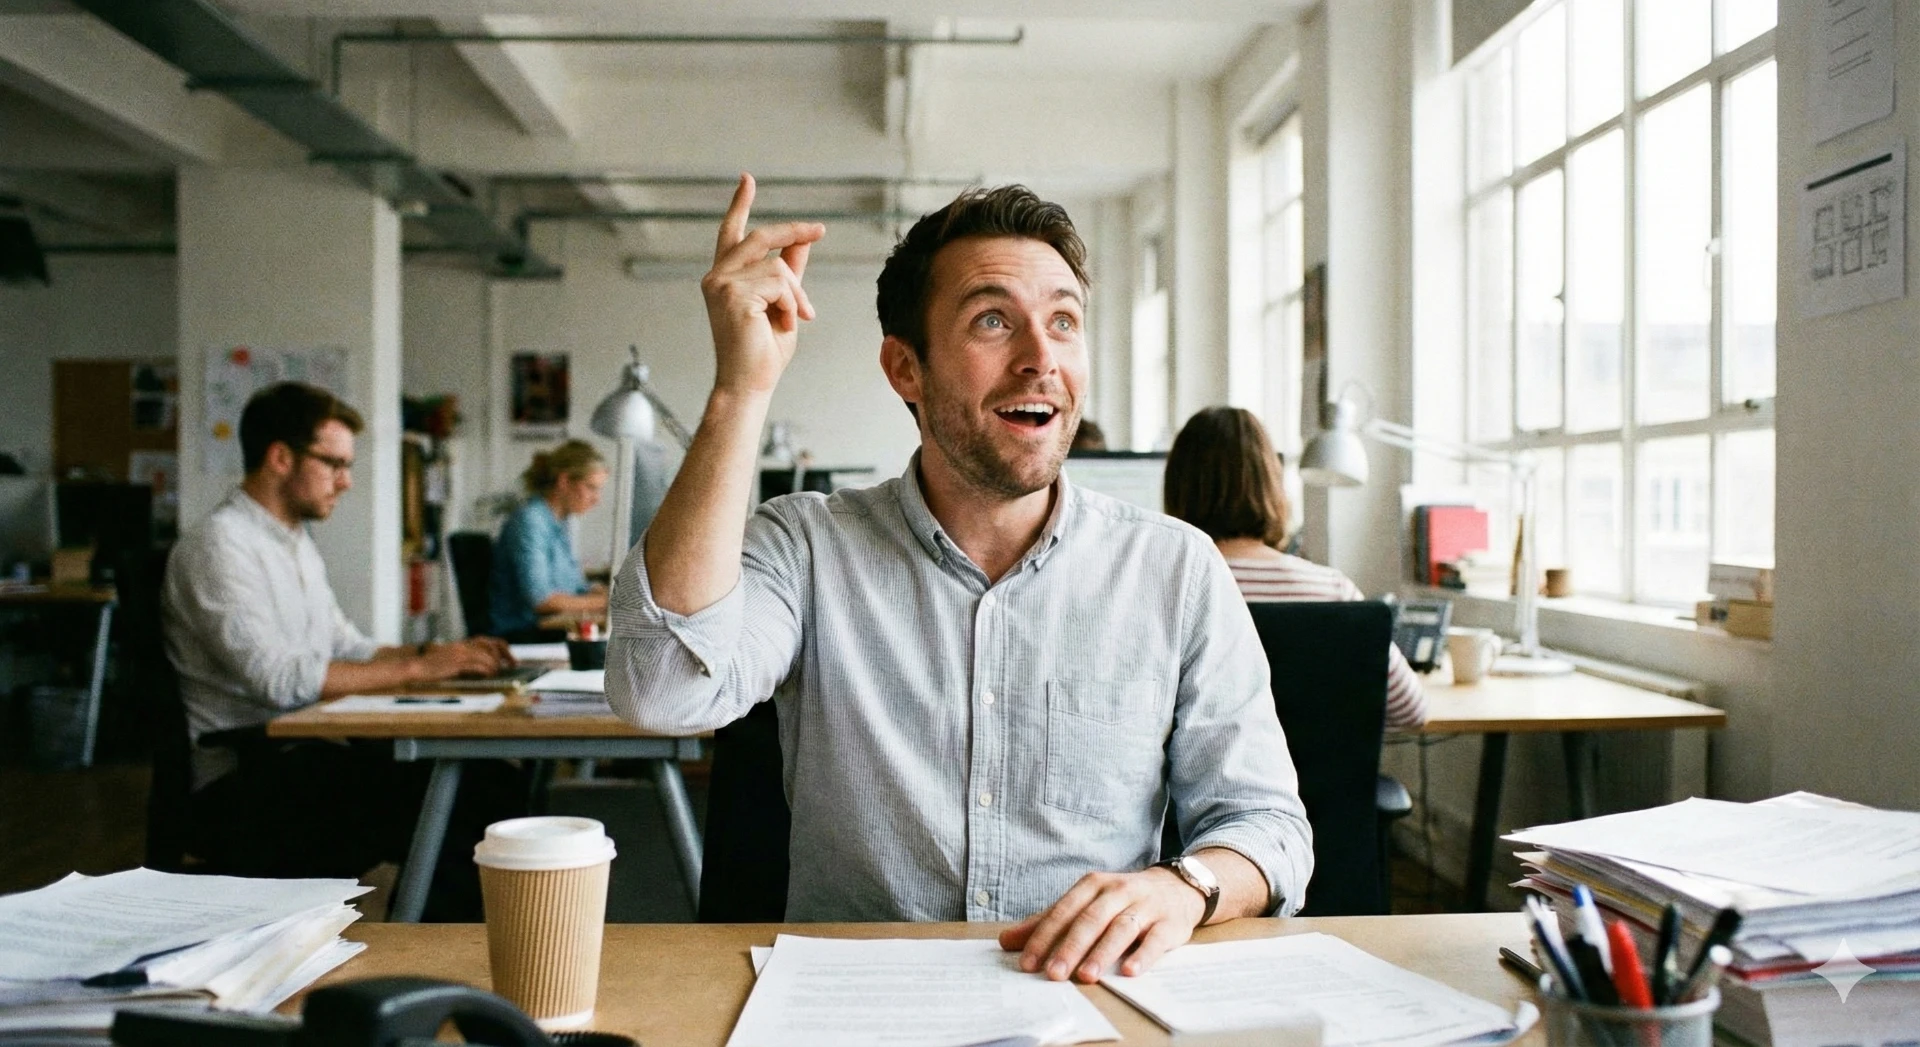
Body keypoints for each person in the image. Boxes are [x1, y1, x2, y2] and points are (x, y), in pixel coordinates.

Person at [608, 176, 1311, 983]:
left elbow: (1269, 826)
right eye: (992, 320)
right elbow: (661, 689)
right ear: (906, 367)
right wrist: (741, 388)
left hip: (1085, 1001)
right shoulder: (808, 545)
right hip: (861, 1007)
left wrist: (1183, 886)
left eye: (1063, 321)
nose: (1041, 358)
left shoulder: (1175, 568)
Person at [162, 382, 526, 920]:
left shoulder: (293, 543)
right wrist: (419, 667)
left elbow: (346, 646)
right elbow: (278, 680)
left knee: (490, 784)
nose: (346, 481)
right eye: (333, 464)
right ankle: (430, 951)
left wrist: (439, 653)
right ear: (280, 458)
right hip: (247, 776)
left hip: (305, 753)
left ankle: (431, 944)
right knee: (464, 804)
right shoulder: (219, 546)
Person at [1164, 406, 1427, 728]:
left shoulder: (1166, 589)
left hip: (1204, 763)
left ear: (1178, 486)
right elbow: (1412, 709)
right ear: (1271, 484)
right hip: (1326, 762)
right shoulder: (1332, 592)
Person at [490, 439, 610, 639]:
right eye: (591, 487)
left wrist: (599, 591)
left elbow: (573, 586)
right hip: (524, 633)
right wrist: (608, 602)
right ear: (564, 481)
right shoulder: (531, 521)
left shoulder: (558, 522)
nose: (596, 499)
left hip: (546, 628)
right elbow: (542, 600)